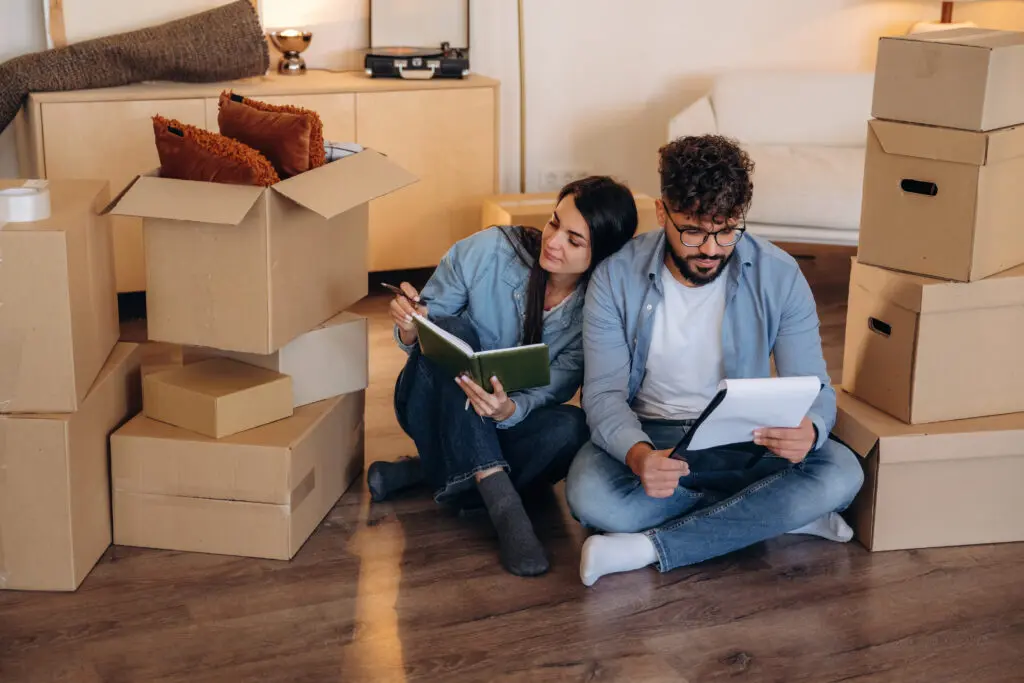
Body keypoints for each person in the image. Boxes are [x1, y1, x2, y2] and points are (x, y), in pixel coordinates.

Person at [565, 135, 865, 587]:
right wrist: (639, 455)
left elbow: (816, 388)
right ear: (662, 211)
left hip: (747, 437)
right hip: (654, 435)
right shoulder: (615, 277)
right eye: (694, 231)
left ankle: (647, 546)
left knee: (842, 472)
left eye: (726, 231)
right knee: (590, 498)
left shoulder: (779, 274)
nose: (710, 249)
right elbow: (604, 394)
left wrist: (810, 429)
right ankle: (778, 514)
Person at [368, 176, 639, 577]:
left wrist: (509, 408)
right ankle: (504, 507)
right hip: (430, 403)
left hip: (505, 423)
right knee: (455, 331)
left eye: (574, 240)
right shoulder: (489, 250)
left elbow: (559, 386)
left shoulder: (596, 309)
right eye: (554, 223)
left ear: (600, 255)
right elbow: (427, 327)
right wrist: (412, 324)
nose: (553, 241)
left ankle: (429, 472)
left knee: (574, 426)